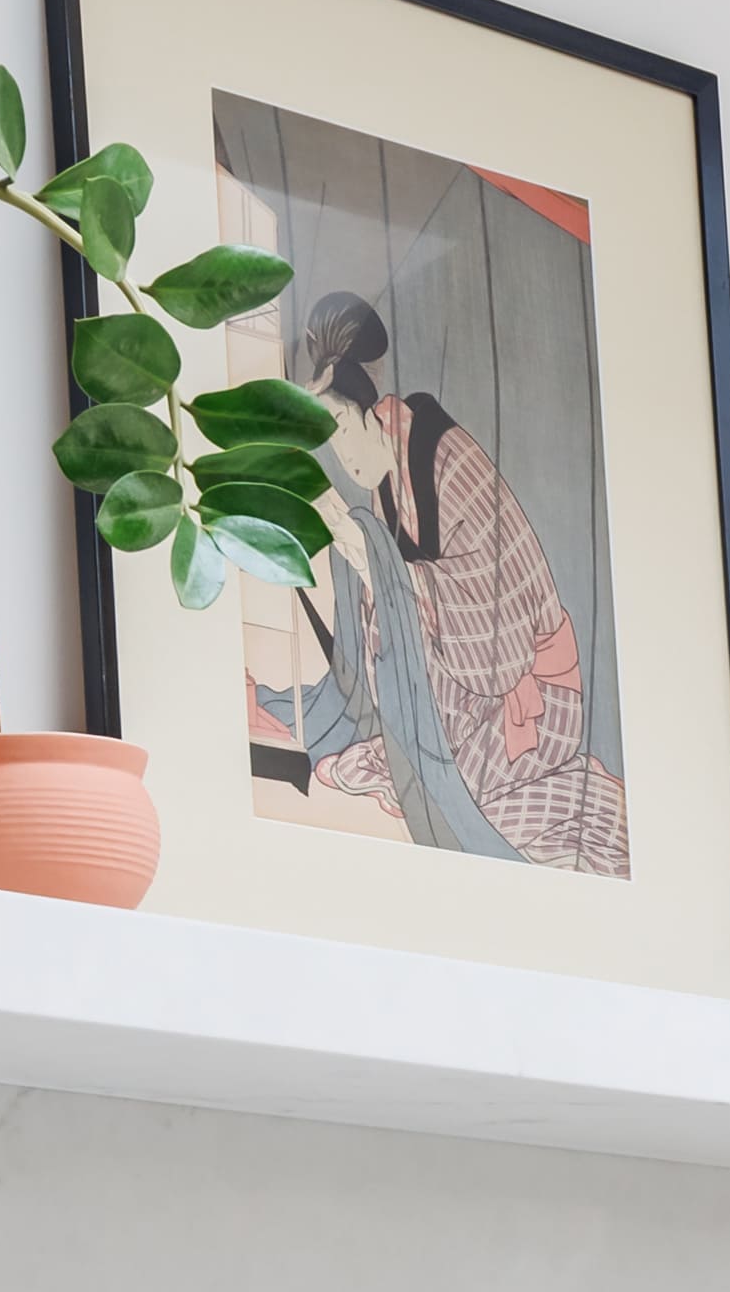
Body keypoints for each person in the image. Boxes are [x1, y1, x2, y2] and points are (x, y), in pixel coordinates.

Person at [255, 292, 629, 876]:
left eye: (335, 426)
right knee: (387, 765)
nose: (337, 449)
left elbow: (495, 620)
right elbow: (401, 603)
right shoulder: (387, 474)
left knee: (448, 800)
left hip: (530, 701)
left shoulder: (444, 455)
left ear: (362, 406)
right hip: (465, 701)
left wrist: (363, 547)